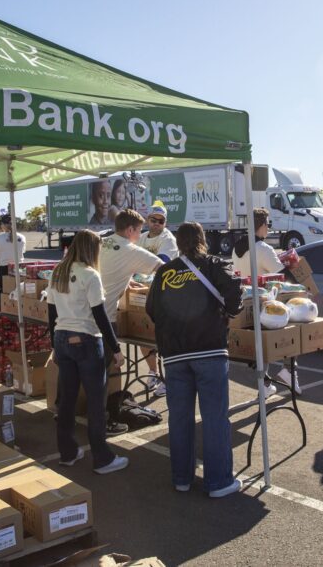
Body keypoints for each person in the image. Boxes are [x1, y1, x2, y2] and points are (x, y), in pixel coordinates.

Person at [145, 222, 243, 497]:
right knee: (214, 417)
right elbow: (235, 294)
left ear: (178, 242)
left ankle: (182, 478)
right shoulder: (214, 263)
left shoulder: (164, 271)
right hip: (210, 350)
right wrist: (226, 314)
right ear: (202, 240)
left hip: (174, 354)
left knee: (179, 418)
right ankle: (219, 482)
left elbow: (151, 309)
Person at [46, 229, 129, 475]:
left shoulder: (58, 272)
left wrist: (54, 344)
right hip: (87, 341)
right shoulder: (90, 275)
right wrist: (115, 348)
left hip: (62, 338)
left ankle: (68, 452)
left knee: (67, 400)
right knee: (95, 402)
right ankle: (102, 458)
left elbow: (51, 314)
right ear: (91, 249)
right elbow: (100, 315)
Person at [100, 209, 163, 409]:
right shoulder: (131, 249)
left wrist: (125, 282)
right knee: (100, 378)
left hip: (81, 314)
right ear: (129, 230)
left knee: (83, 375)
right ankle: (102, 422)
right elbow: (164, 269)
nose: (139, 236)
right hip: (104, 319)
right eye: (138, 231)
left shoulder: (103, 242)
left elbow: (106, 272)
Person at [232, 208, 294, 394]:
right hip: (264, 302)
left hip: (246, 301)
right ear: (260, 225)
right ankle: (288, 370)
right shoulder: (263, 248)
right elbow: (282, 275)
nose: (269, 228)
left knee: (262, 346)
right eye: (268, 224)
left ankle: (266, 385)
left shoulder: (238, 246)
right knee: (287, 333)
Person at [134, 202, 179, 395]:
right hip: (143, 291)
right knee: (142, 334)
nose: (157, 224)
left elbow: (161, 265)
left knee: (166, 339)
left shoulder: (168, 239)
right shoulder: (142, 238)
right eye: (153, 220)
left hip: (166, 294)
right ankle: (153, 372)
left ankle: (168, 380)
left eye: (161, 221)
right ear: (147, 220)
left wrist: (138, 269)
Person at [0, 215, 26, 292]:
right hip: (19, 269)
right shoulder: (22, 237)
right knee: (18, 295)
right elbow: (21, 253)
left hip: (4, 270)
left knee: (3, 296)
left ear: (3, 225)